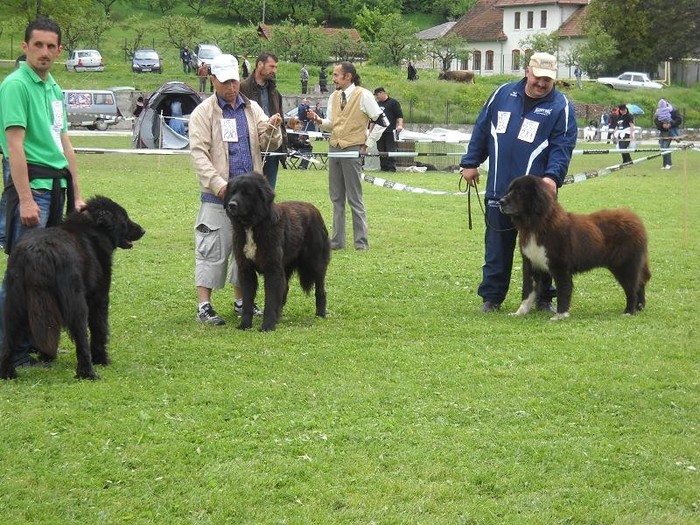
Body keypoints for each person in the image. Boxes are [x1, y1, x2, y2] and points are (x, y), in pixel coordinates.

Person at [459, 52, 577, 313]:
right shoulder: (501, 94)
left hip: (535, 201)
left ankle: (543, 298)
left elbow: (562, 146)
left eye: (548, 79)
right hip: (499, 190)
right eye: (538, 77)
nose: (542, 83)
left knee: (541, 251)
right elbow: (482, 129)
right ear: (527, 71)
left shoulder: (561, 107)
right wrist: (470, 162)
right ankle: (491, 298)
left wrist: (552, 177)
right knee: (496, 249)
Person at [0, 16, 86, 366]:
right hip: (33, 190)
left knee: (47, 274)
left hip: (57, 188)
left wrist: (77, 192)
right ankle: (9, 350)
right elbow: (14, 147)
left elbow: (63, 141)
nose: (45, 52)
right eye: (38, 45)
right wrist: (24, 199)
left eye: (51, 46)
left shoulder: (52, 87)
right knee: (19, 275)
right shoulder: (15, 86)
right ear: (25, 47)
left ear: (60, 51)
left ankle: (38, 342)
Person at [189, 54, 283, 325]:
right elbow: (199, 155)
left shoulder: (251, 108)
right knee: (211, 247)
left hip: (249, 201)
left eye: (234, 81)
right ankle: (204, 305)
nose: (231, 87)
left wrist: (272, 128)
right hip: (217, 195)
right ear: (213, 80)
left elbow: (270, 142)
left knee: (244, 250)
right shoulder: (203, 113)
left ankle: (243, 300)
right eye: (225, 82)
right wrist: (219, 186)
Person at [307, 61, 388, 251]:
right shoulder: (334, 96)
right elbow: (332, 123)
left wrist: (367, 144)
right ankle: (337, 241)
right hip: (334, 148)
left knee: (355, 198)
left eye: (336, 75)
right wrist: (318, 121)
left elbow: (383, 121)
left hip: (352, 150)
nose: (333, 78)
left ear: (348, 77)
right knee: (336, 198)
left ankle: (361, 243)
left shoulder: (364, 95)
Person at [239, 52, 287, 189]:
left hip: (272, 148)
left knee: (268, 193)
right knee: (248, 192)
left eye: (276, 67)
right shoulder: (242, 89)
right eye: (272, 66)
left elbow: (281, 120)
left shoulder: (275, 92)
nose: (274, 71)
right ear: (260, 64)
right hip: (250, 148)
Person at [373, 87, 404, 172]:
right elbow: (373, 119)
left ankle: (391, 167)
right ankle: (383, 167)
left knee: (390, 149)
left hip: (390, 131)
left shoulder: (393, 103)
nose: (377, 97)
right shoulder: (377, 104)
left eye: (377, 95)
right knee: (381, 150)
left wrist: (400, 125)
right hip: (379, 131)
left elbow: (399, 116)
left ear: (382, 93)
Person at [655, 99, 682, 170]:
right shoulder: (659, 111)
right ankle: (665, 164)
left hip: (670, 130)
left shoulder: (674, 110)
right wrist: (662, 125)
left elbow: (679, 120)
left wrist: (670, 124)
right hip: (663, 132)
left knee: (665, 146)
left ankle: (668, 164)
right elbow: (656, 121)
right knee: (662, 147)